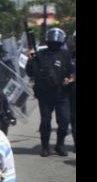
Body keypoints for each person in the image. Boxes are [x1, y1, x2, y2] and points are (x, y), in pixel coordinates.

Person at [26, 28, 74, 156]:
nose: (54, 42)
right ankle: (45, 146)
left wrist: (70, 79)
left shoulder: (65, 54)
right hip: (45, 94)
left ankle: (59, 145)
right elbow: (30, 72)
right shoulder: (40, 54)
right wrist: (30, 59)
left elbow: (71, 71)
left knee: (64, 121)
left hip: (62, 93)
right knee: (46, 121)